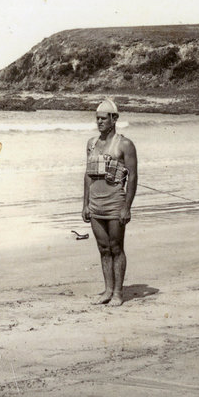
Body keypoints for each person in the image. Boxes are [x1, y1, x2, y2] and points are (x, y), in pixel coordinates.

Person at [83, 99, 138, 306]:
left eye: (103, 118)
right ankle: (107, 290)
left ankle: (118, 293)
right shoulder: (91, 144)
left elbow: (132, 177)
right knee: (103, 248)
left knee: (116, 247)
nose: (99, 122)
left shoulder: (125, 144)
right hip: (96, 203)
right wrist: (85, 204)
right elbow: (87, 175)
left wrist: (127, 207)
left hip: (115, 202)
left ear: (114, 119)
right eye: (97, 118)